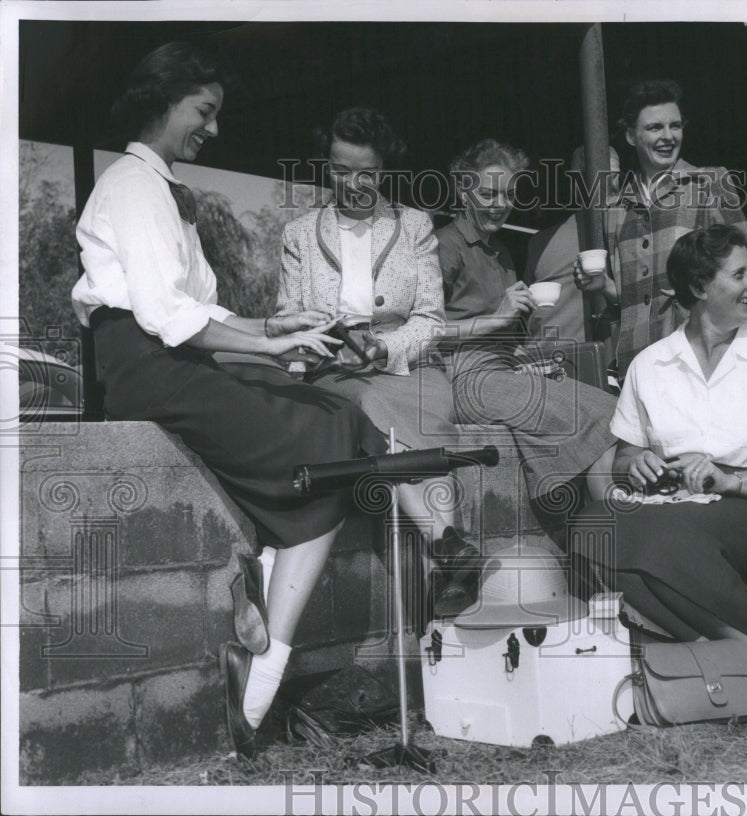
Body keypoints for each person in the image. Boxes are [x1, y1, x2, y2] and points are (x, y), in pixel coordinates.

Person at [71, 42, 388, 760]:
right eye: (203, 111)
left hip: (178, 352)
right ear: (162, 102)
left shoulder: (167, 189)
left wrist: (276, 328)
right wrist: (269, 349)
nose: (213, 128)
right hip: (144, 364)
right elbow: (162, 313)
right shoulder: (130, 183)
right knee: (321, 451)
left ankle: (267, 596)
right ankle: (263, 672)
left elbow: (203, 309)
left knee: (340, 417)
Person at [573, 224, 747, 715]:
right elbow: (625, 458)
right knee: (590, 526)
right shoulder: (650, 364)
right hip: (670, 504)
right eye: (740, 274)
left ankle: (738, 655)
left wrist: (730, 479)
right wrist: (638, 463)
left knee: (655, 534)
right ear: (698, 287)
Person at [276, 107, 477, 617]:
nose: (353, 183)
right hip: (334, 370)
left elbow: (430, 319)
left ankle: (448, 555)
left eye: (366, 172)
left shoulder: (413, 226)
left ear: (383, 170)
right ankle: (450, 547)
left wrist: (385, 348)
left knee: (406, 401)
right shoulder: (299, 233)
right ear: (327, 165)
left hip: (404, 365)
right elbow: (285, 320)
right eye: (341, 170)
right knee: (370, 399)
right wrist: (313, 336)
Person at [435, 138, 618, 507]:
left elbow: (502, 330)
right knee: (605, 410)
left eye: (507, 194)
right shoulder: (444, 246)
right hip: (461, 376)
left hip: (502, 368)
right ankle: (611, 509)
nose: (500, 204)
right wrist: (495, 318)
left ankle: (601, 506)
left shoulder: (500, 252)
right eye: (488, 193)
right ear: (463, 189)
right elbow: (421, 332)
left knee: (609, 400)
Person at [574, 78, 747, 378]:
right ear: (631, 136)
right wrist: (604, 287)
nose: (668, 136)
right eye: (654, 128)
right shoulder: (614, 207)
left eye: (675, 126)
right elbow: (627, 298)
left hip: (703, 362)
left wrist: (699, 287)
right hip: (636, 366)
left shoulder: (710, 183)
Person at [523, 145, 620, 343]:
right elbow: (525, 314)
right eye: (585, 177)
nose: (598, 184)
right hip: (550, 364)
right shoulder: (541, 244)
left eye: (610, 176)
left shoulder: (638, 236)